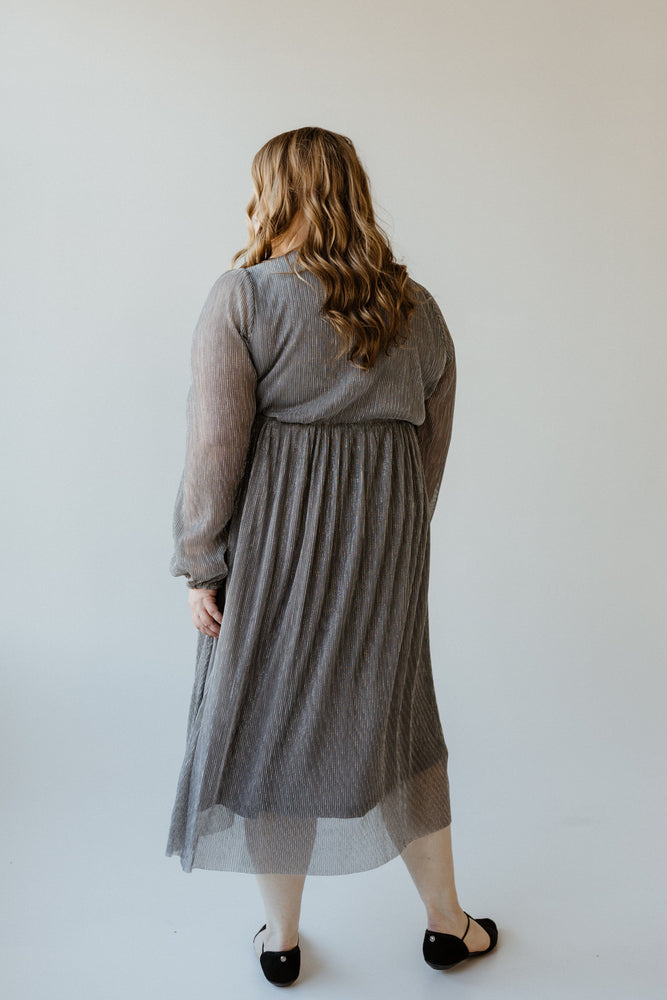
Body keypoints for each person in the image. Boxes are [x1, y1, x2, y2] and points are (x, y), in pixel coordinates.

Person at [165, 126, 498, 986]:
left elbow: (215, 450)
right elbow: (432, 446)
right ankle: (446, 926)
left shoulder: (242, 298)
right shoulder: (416, 307)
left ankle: (279, 943)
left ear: (271, 194)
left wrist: (203, 563)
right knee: (399, 721)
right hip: (386, 550)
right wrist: (390, 539)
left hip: (276, 554)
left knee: (278, 725)